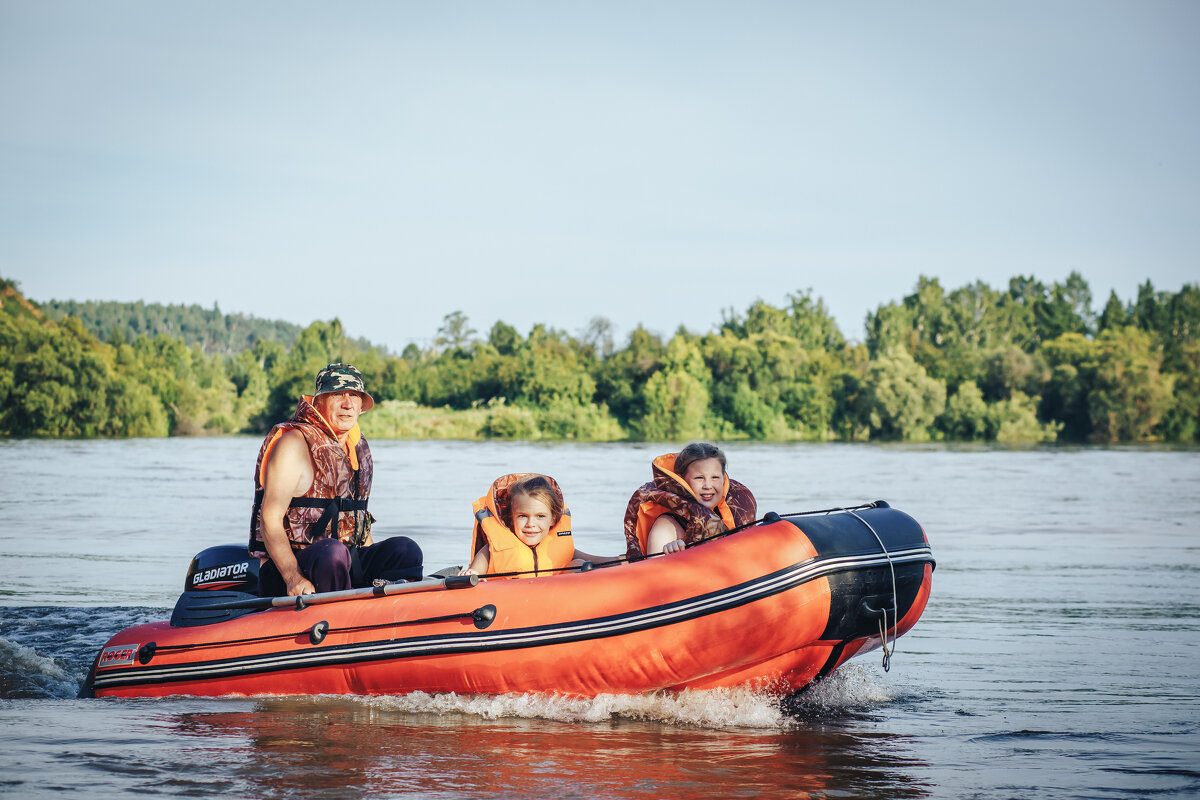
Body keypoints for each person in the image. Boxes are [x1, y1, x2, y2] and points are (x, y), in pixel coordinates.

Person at [248, 363, 422, 596]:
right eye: (337, 394)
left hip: (342, 562)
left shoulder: (356, 449)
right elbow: (269, 518)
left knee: (406, 549)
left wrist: (373, 569)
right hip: (291, 569)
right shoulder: (294, 444)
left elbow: (355, 520)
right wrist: (293, 578)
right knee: (332, 552)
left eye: (354, 395)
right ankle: (338, 616)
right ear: (318, 402)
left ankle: (393, 611)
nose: (347, 403)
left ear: (361, 406)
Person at [622, 441, 757, 559]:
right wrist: (675, 556)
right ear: (681, 482)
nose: (708, 486)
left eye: (715, 477)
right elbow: (653, 578)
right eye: (699, 478)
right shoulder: (665, 528)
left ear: (723, 479)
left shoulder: (729, 514)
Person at [460, 473, 611, 578]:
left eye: (540, 516)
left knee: (579, 564)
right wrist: (472, 573)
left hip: (555, 597)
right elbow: (476, 570)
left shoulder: (560, 546)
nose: (531, 524)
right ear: (511, 518)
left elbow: (592, 559)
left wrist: (622, 560)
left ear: (552, 519)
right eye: (522, 516)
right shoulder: (492, 549)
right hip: (507, 602)